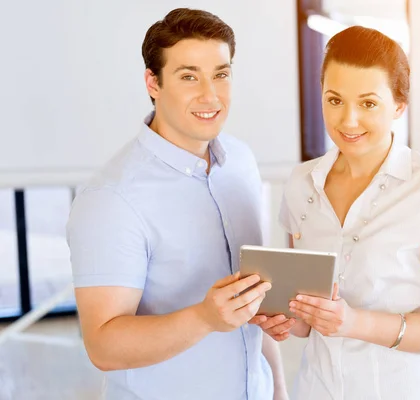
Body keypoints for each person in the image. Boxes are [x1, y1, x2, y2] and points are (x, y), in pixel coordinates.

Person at [66, 8, 288, 400]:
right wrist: (205, 317)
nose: (210, 95)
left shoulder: (241, 162)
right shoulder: (111, 199)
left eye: (221, 74)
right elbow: (102, 345)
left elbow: (250, 297)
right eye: (189, 76)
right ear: (153, 82)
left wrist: (280, 390)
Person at [250, 26, 420, 399]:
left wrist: (354, 323)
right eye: (334, 100)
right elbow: (305, 322)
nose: (348, 120)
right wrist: (280, 319)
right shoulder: (301, 184)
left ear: (399, 105)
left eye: (368, 103)